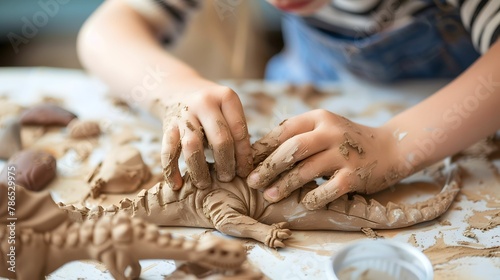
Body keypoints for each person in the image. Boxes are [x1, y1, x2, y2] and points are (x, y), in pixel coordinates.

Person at [78, 0, 500, 211]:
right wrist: (175, 89)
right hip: (309, 86)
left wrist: (396, 145)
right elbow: (105, 30)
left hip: (454, 112)